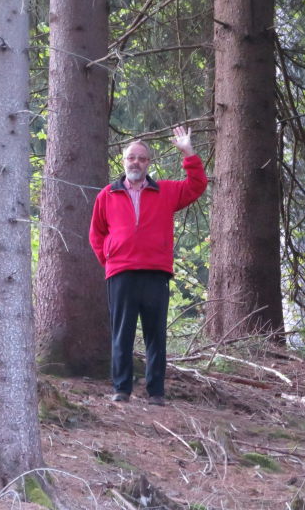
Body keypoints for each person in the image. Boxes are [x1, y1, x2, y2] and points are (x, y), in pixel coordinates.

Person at [89, 126, 207, 405]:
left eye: (141, 158)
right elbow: (97, 234)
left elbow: (197, 185)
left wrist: (187, 151)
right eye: (131, 158)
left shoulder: (165, 191)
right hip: (121, 273)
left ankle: (156, 393)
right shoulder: (107, 195)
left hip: (156, 273)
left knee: (155, 335)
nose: (136, 162)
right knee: (122, 334)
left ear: (148, 163)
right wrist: (111, 260)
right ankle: (121, 389)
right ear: (123, 161)